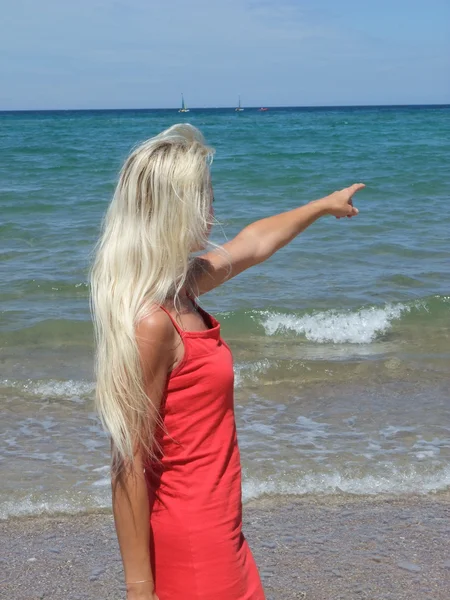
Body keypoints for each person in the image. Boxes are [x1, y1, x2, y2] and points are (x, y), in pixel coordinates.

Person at [90, 123, 364, 600]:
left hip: (222, 530)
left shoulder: (183, 290)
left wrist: (321, 207)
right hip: (195, 544)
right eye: (202, 198)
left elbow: (252, 244)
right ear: (171, 210)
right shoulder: (154, 323)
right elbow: (127, 462)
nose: (212, 211)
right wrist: (138, 588)